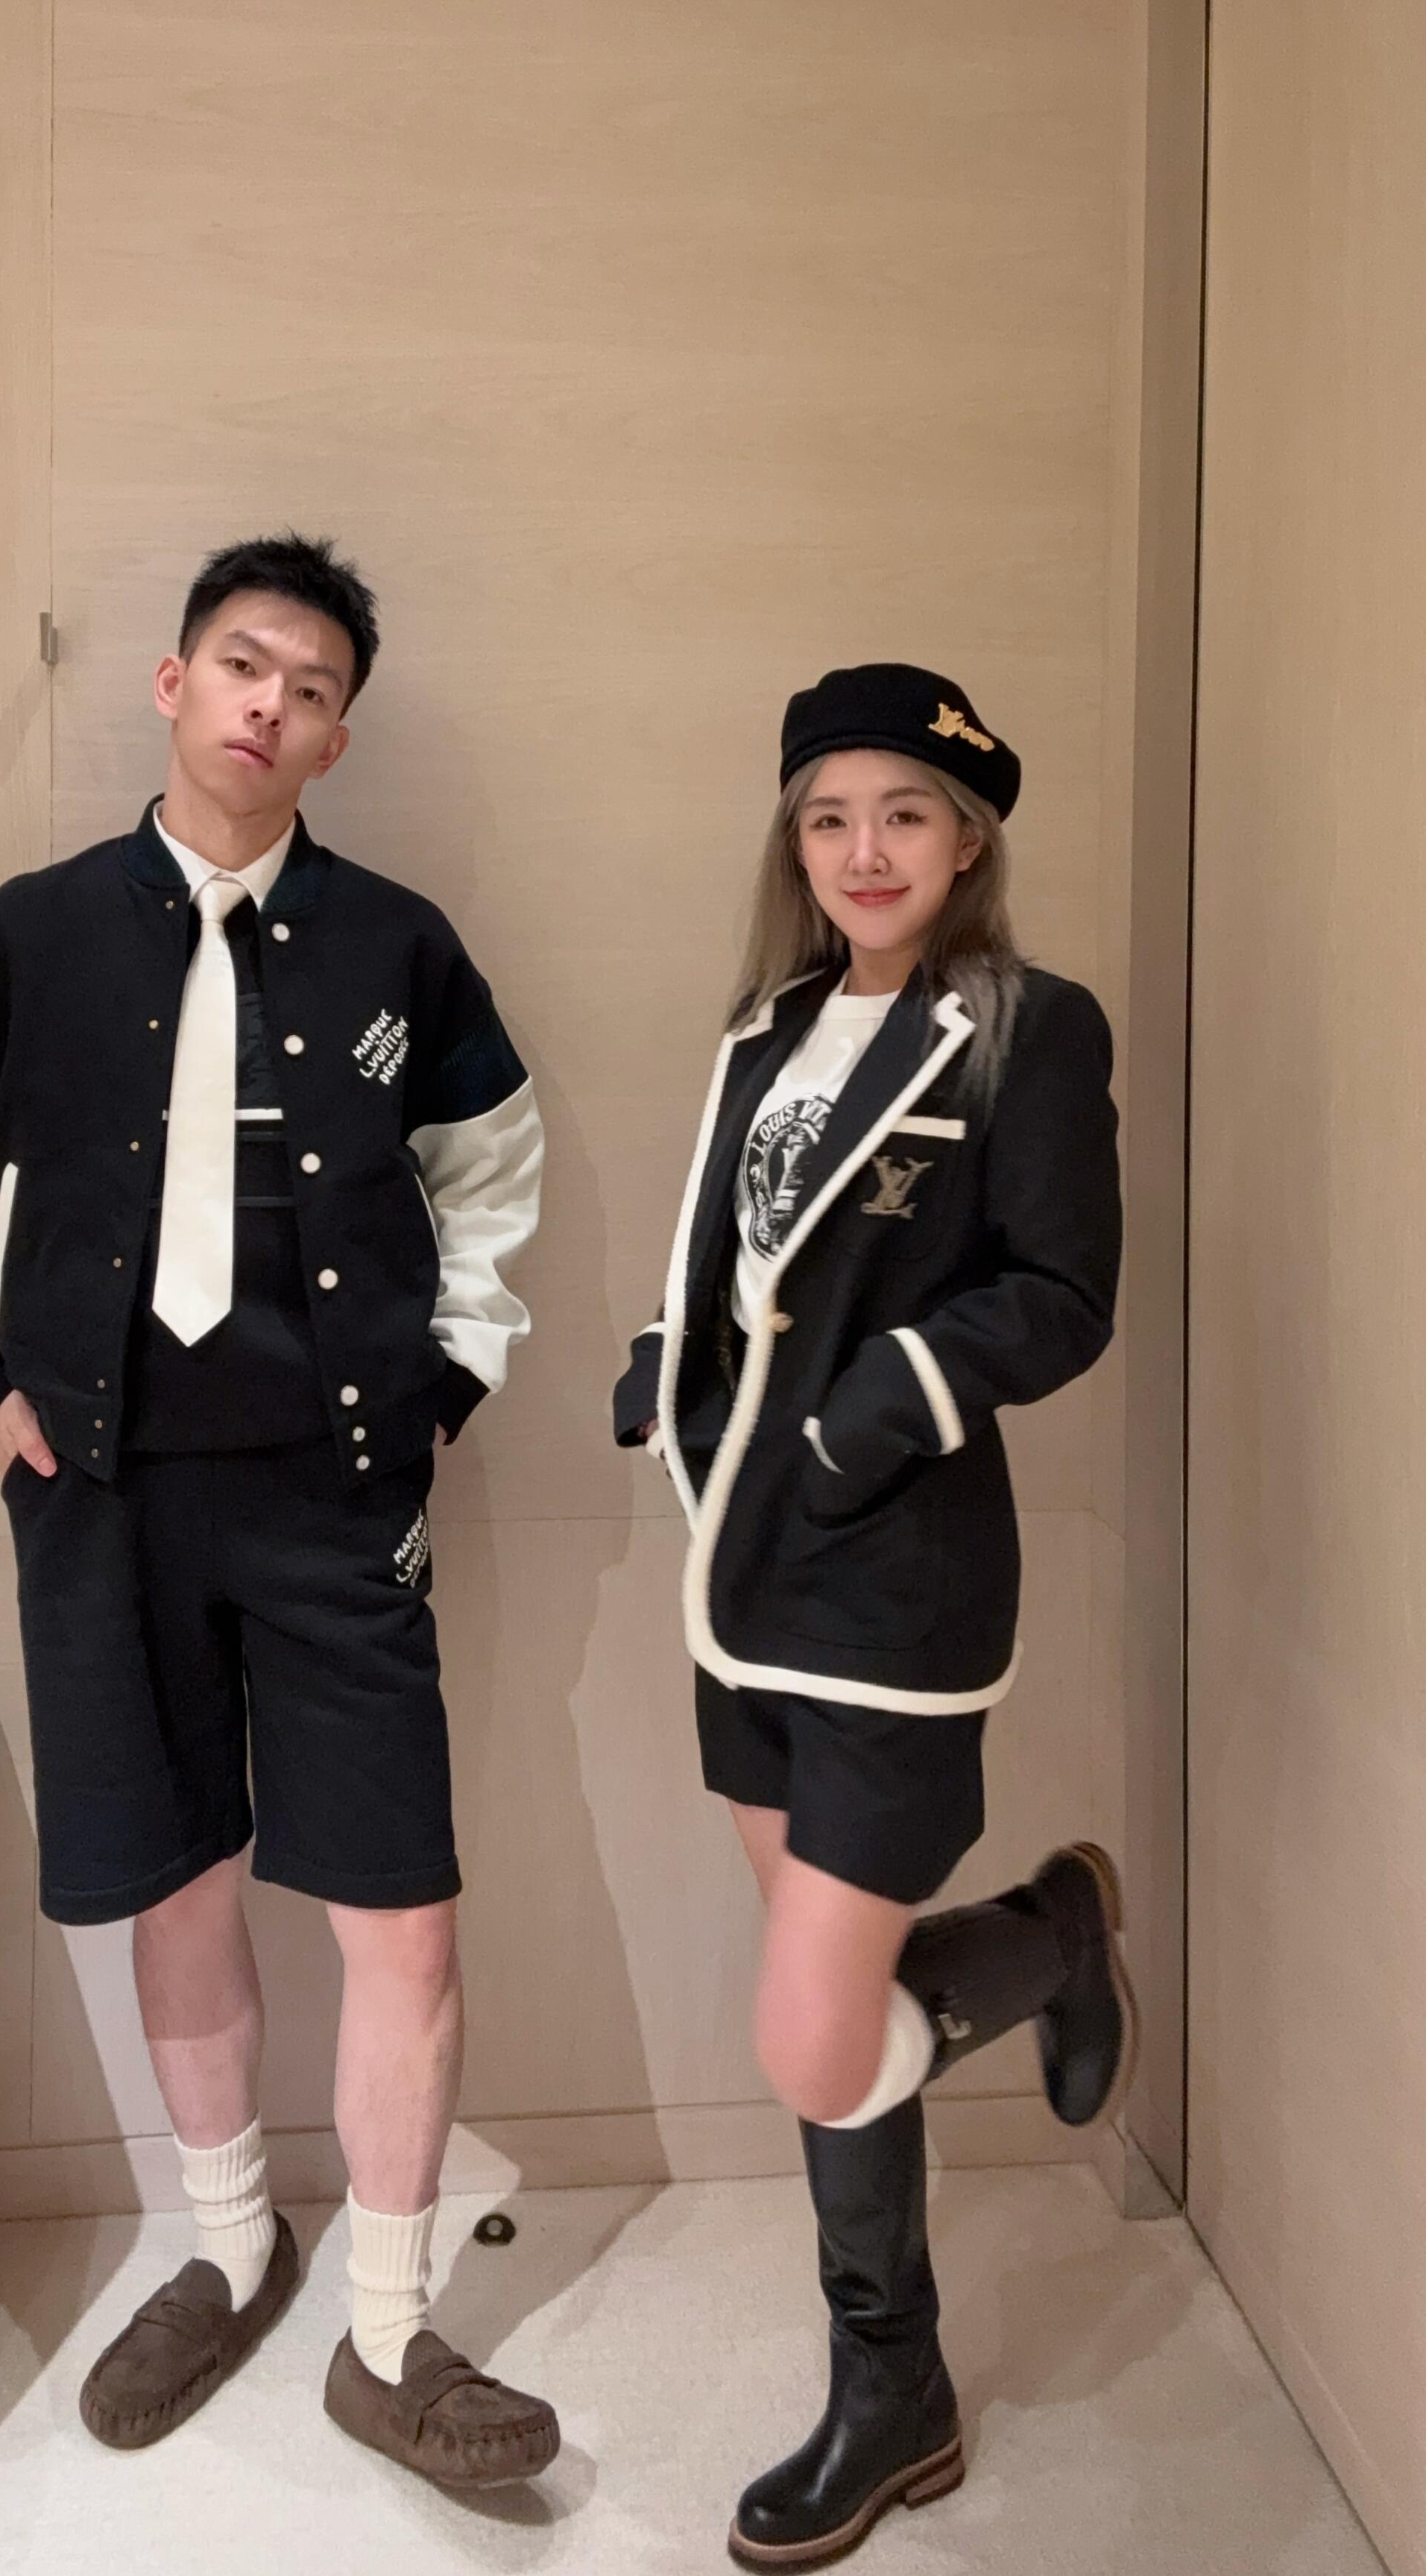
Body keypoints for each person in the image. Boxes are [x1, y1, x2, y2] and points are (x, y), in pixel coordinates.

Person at [0, 533, 558, 2489]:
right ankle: (231, 2244)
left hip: (338, 1497)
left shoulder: (400, 948)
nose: (270, 705)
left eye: (312, 689)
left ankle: (392, 2334)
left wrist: (451, 1378)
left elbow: (493, 1170)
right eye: (243, 666)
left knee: (398, 1907)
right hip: (102, 1496)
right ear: (171, 684)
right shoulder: (29, 937)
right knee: (176, 1879)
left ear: (337, 738)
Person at [613, 663, 1133, 2567]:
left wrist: (874, 1409)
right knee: (824, 2003)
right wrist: (663, 1362)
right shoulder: (767, 1030)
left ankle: (1050, 1941)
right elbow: (735, 1252)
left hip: (893, 1570)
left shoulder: (1027, 1030)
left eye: (902, 812)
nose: (862, 849)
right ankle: (893, 2388)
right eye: (826, 815)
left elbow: (1059, 1293)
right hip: (735, 1571)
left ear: (967, 837)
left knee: (810, 2035)